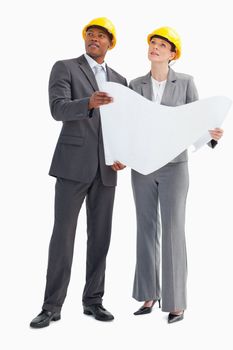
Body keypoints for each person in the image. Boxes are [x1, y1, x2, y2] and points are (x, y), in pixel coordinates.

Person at [30, 17, 127, 328]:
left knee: (101, 238)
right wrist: (88, 102)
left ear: (111, 43)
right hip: (72, 166)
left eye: (101, 36)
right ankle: (51, 306)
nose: (94, 39)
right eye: (90, 35)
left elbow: (122, 127)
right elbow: (57, 109)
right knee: (63, 236)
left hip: (106, 168)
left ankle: (93, 300)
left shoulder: (120, 80)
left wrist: (122, 154)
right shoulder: (65, 67)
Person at [129, 26, 223, 323]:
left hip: (175, 167)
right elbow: (127, 124)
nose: (154, 47)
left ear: (172, 54)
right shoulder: (135, 84)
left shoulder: (185, 82)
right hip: (142, 166)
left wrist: (212, 135)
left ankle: (176, 302)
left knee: (173, 230)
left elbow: (197, 119)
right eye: (152, 43)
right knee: (145, 229)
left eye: (161, 45)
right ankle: (148, 294)